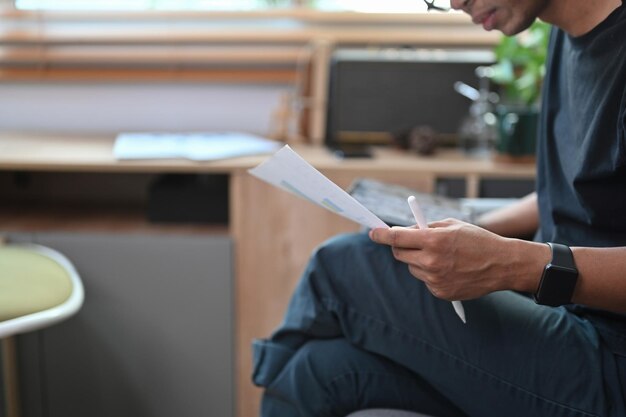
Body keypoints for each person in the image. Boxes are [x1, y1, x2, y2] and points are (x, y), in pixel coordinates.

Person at [252, 0, 626, 416]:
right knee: (319, 373)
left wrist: (514, 264)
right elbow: (584, 191)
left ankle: (266, 368)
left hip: (610, 357)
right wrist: (472, 229)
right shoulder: (565, 34)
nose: (454, 3)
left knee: (345, 264)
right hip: (561, 318)